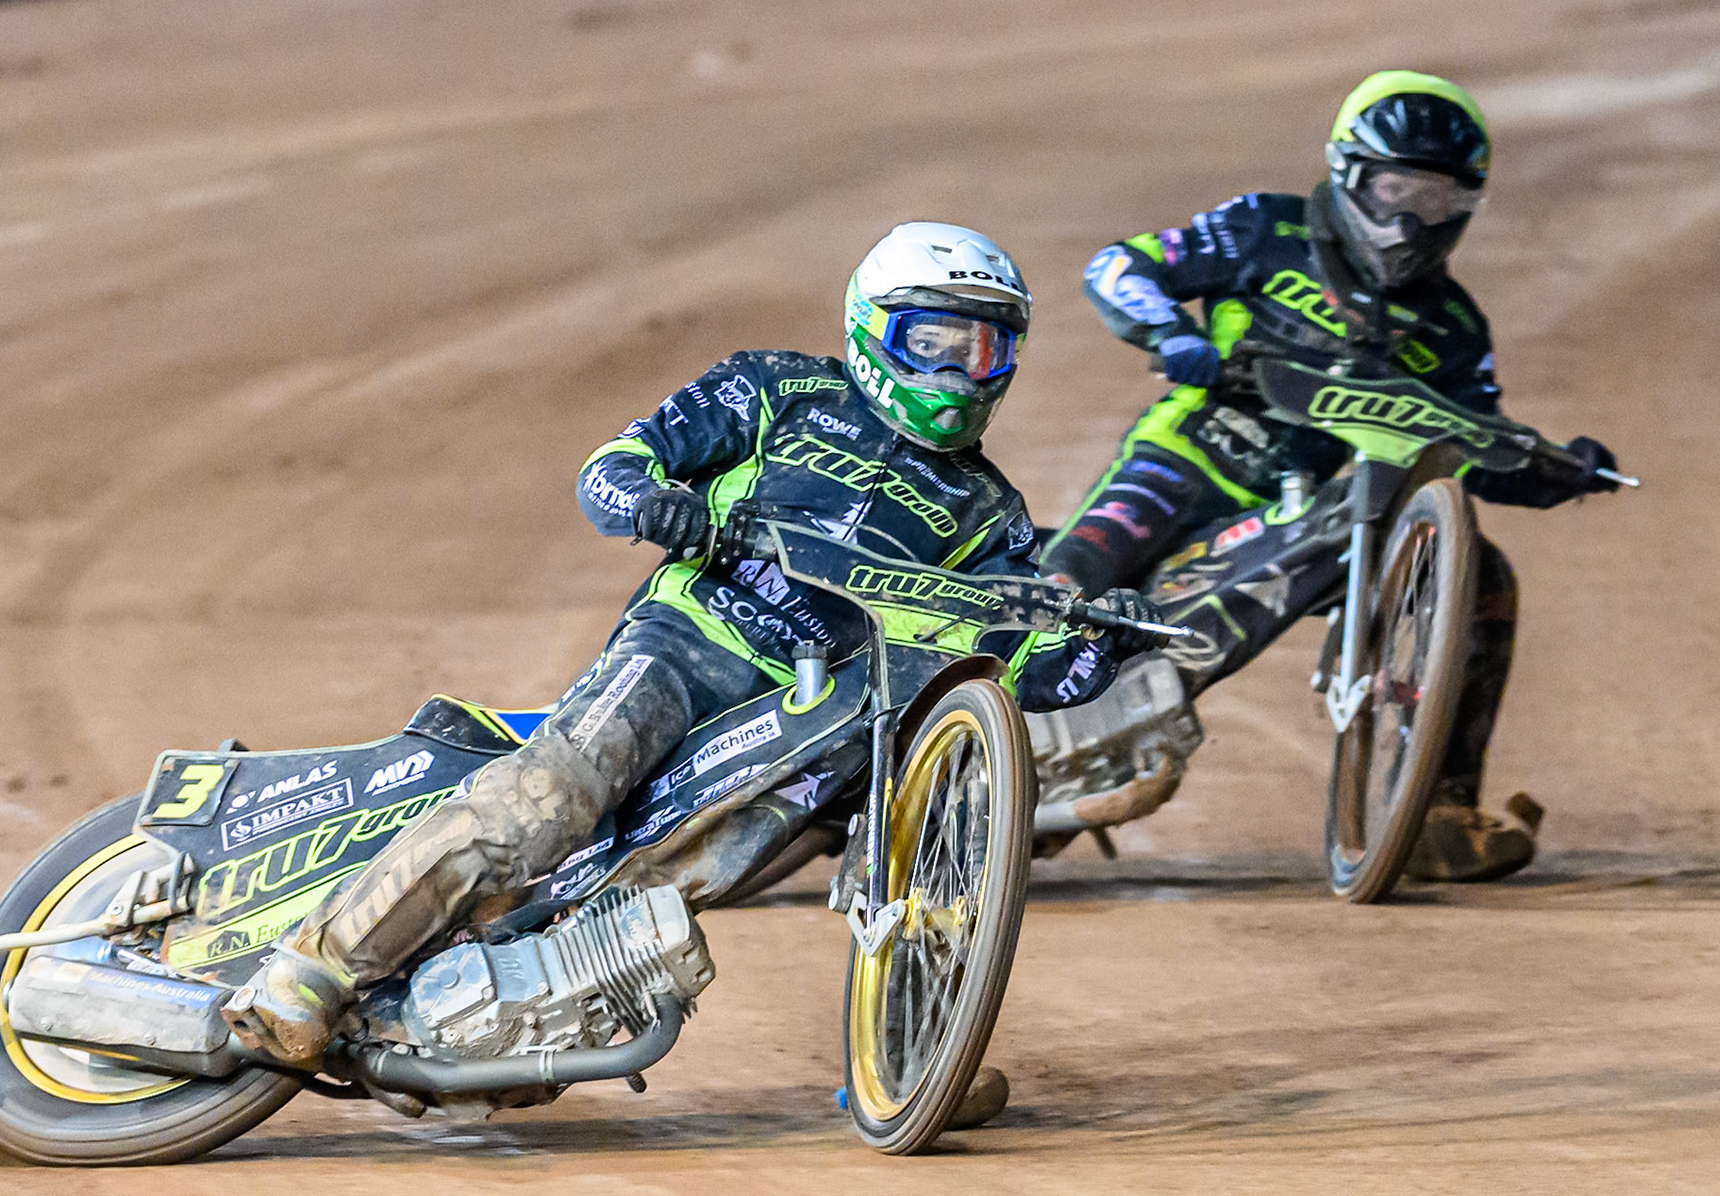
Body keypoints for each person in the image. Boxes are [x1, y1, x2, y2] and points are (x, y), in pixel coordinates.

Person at [225, 222, 1159, 1062]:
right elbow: (613, 467)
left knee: (709, 885)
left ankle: (919, 1054)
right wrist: (655, 502)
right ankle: (315, 969)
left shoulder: (992, 514)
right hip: (693, 637)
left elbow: (1028, 659)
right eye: (934, 341)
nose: (958, 371)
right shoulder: (778, 389)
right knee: (551, 800)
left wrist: (1099, 643)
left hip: (815, 712)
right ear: (874, 329)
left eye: (985, 348)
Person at [1038, 71, 1625, 882]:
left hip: (1323, 506)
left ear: (1467, 205)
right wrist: (1169, 331)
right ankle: (967, 733)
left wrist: (1559, 469)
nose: (1411, 217)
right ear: (1349, 175)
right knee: (1075, 574)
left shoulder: (1454, 326)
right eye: (1395, 188)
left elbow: (1474, 443)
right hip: (1190, 455)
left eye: (1439, 197)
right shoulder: (1263, 228)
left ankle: (1440, 810)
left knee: (1482, 573)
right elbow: (1119, 266)